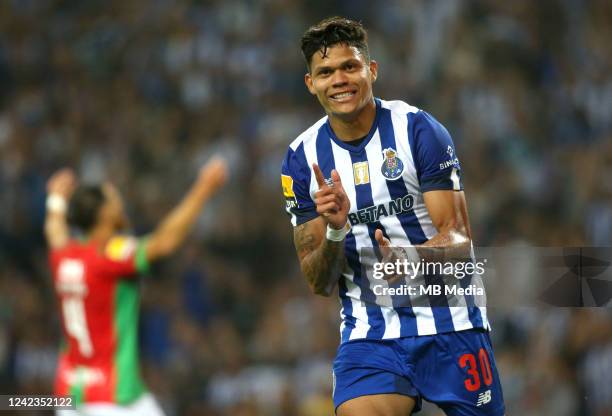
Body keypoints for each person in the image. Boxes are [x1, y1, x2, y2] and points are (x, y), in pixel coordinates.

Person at [281, 17, 505, 416]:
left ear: (372, 70)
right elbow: (318, 281)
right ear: (310, 83)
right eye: (325, 72)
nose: (339, 80)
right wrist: (336, 231)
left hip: (450, 323)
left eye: (350, 67)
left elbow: (458, 238)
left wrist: (411, 260)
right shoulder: (301, 159)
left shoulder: (418, 130)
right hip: (370, 336)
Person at [45, 158, 227, 416]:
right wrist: (204, 188)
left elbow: (54, 229)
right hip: (113, 398)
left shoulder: (64, 256)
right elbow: (164, 242)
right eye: (114, 199)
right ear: (104, 214)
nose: (120, 203)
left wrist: (55, 199)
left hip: (69, 397)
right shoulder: (110, 258)